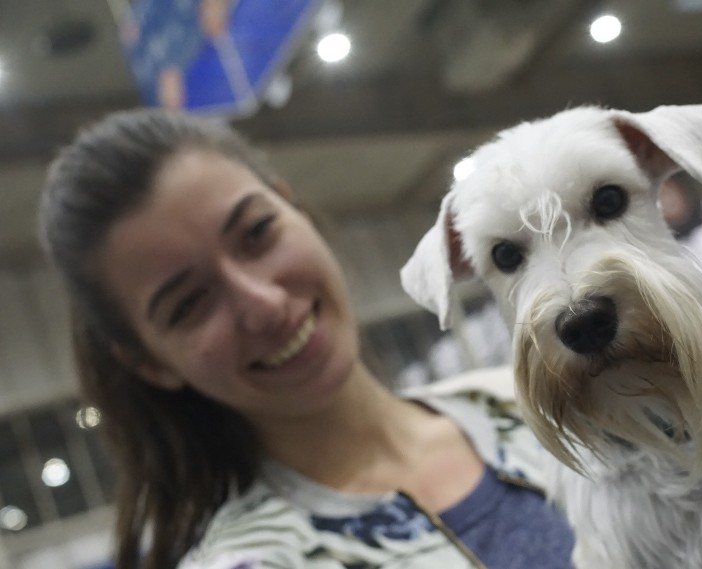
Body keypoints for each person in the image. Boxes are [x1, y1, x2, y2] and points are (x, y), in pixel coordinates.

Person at [39, 109, 576, 569]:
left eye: (256, 234)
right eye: (189, 304)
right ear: (148, 363)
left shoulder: (537, 403)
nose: (264, 304)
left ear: (292, 206)